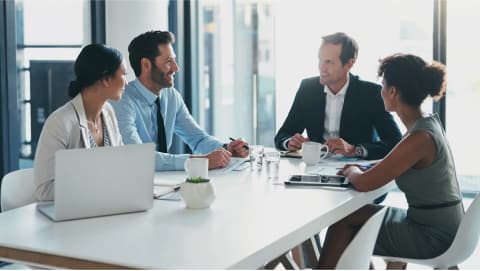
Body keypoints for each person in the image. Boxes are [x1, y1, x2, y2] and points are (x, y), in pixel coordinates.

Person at [316, 54, 464, 268]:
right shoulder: (426, 124)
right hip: (443, 226)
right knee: (351, 218)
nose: (381, 91)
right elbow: (392, 162)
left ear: (393, 91)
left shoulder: (419, 137)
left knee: (343, 224)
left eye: (383, 85)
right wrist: (363, 168)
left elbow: (364, 182)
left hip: (434, 237)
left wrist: (352, 171)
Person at [110, 30, 248, 171]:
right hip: (134, 182)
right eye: (169, 62)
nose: (176, 68)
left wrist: (226, 148)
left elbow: (198, 139)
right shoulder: (122, 101)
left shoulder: (171, 96)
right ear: (146, 65)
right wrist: (199, 161)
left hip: (165, 183)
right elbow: (139, 157)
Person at [274, 32, 402, 160]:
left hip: (355, 171)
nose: (321, 67)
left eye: (329, 62)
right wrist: (290, 142)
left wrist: (355, 150)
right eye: (320, 60)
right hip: (315, 169)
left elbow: (395, 142)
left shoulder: (370, 93)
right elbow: (282, 135)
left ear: (349, 64)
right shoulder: (308, 88)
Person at [34, 44, 127, 201]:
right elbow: (45, 190)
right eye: (123, 74)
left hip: (104, 205)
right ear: (105, 79)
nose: (126, 82)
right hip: (71, 216)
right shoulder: (60, 123)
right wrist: (99, 185)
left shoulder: (108, 111)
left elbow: (121, 166)